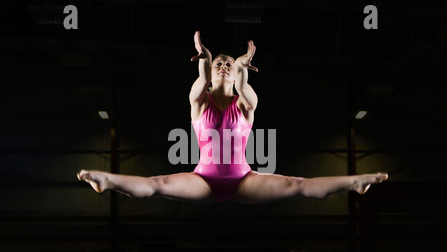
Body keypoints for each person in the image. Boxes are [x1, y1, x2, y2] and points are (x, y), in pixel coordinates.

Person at [77, 31, 388, 204]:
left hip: (244, 180)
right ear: (211, 74)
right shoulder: (199, 102)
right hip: (203, 180)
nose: (223, 66)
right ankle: (107, 180)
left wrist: (240, 67)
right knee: (158, 183)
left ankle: (355, 182)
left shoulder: (246, 103)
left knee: (297, 184)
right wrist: (206, 58)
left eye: (228, 63)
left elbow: (245, 89)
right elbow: (201, 80)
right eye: (219, 65)